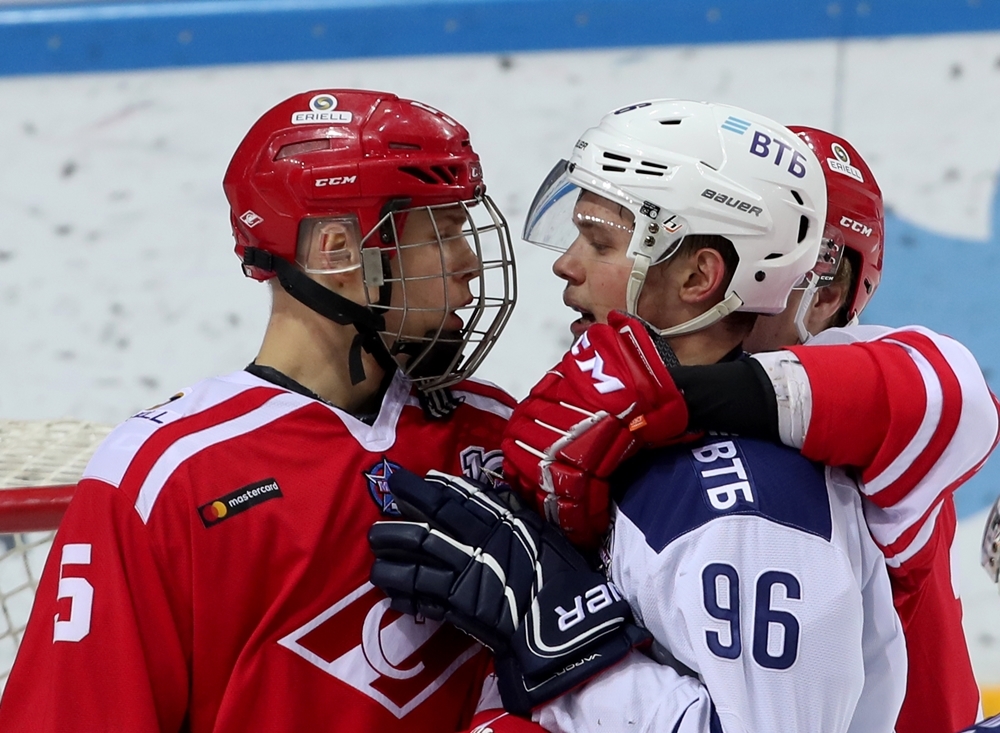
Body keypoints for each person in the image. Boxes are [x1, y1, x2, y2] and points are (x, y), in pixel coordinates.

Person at [372, 100, 907, 733]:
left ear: (699, 277)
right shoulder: (624, 443)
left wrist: (556, 630)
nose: (566, 263)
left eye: (600, 241)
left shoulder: (745, 511)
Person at [0, 89, 518, 732]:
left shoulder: (496, 434)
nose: (470, 262)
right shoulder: (168, 475)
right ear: (337, 249)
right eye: (441, 232)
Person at [505, 124, 999, 733]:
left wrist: (684, 394)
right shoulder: (636, 418)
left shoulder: (854, 421)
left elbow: (956, 397)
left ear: (825, 296)